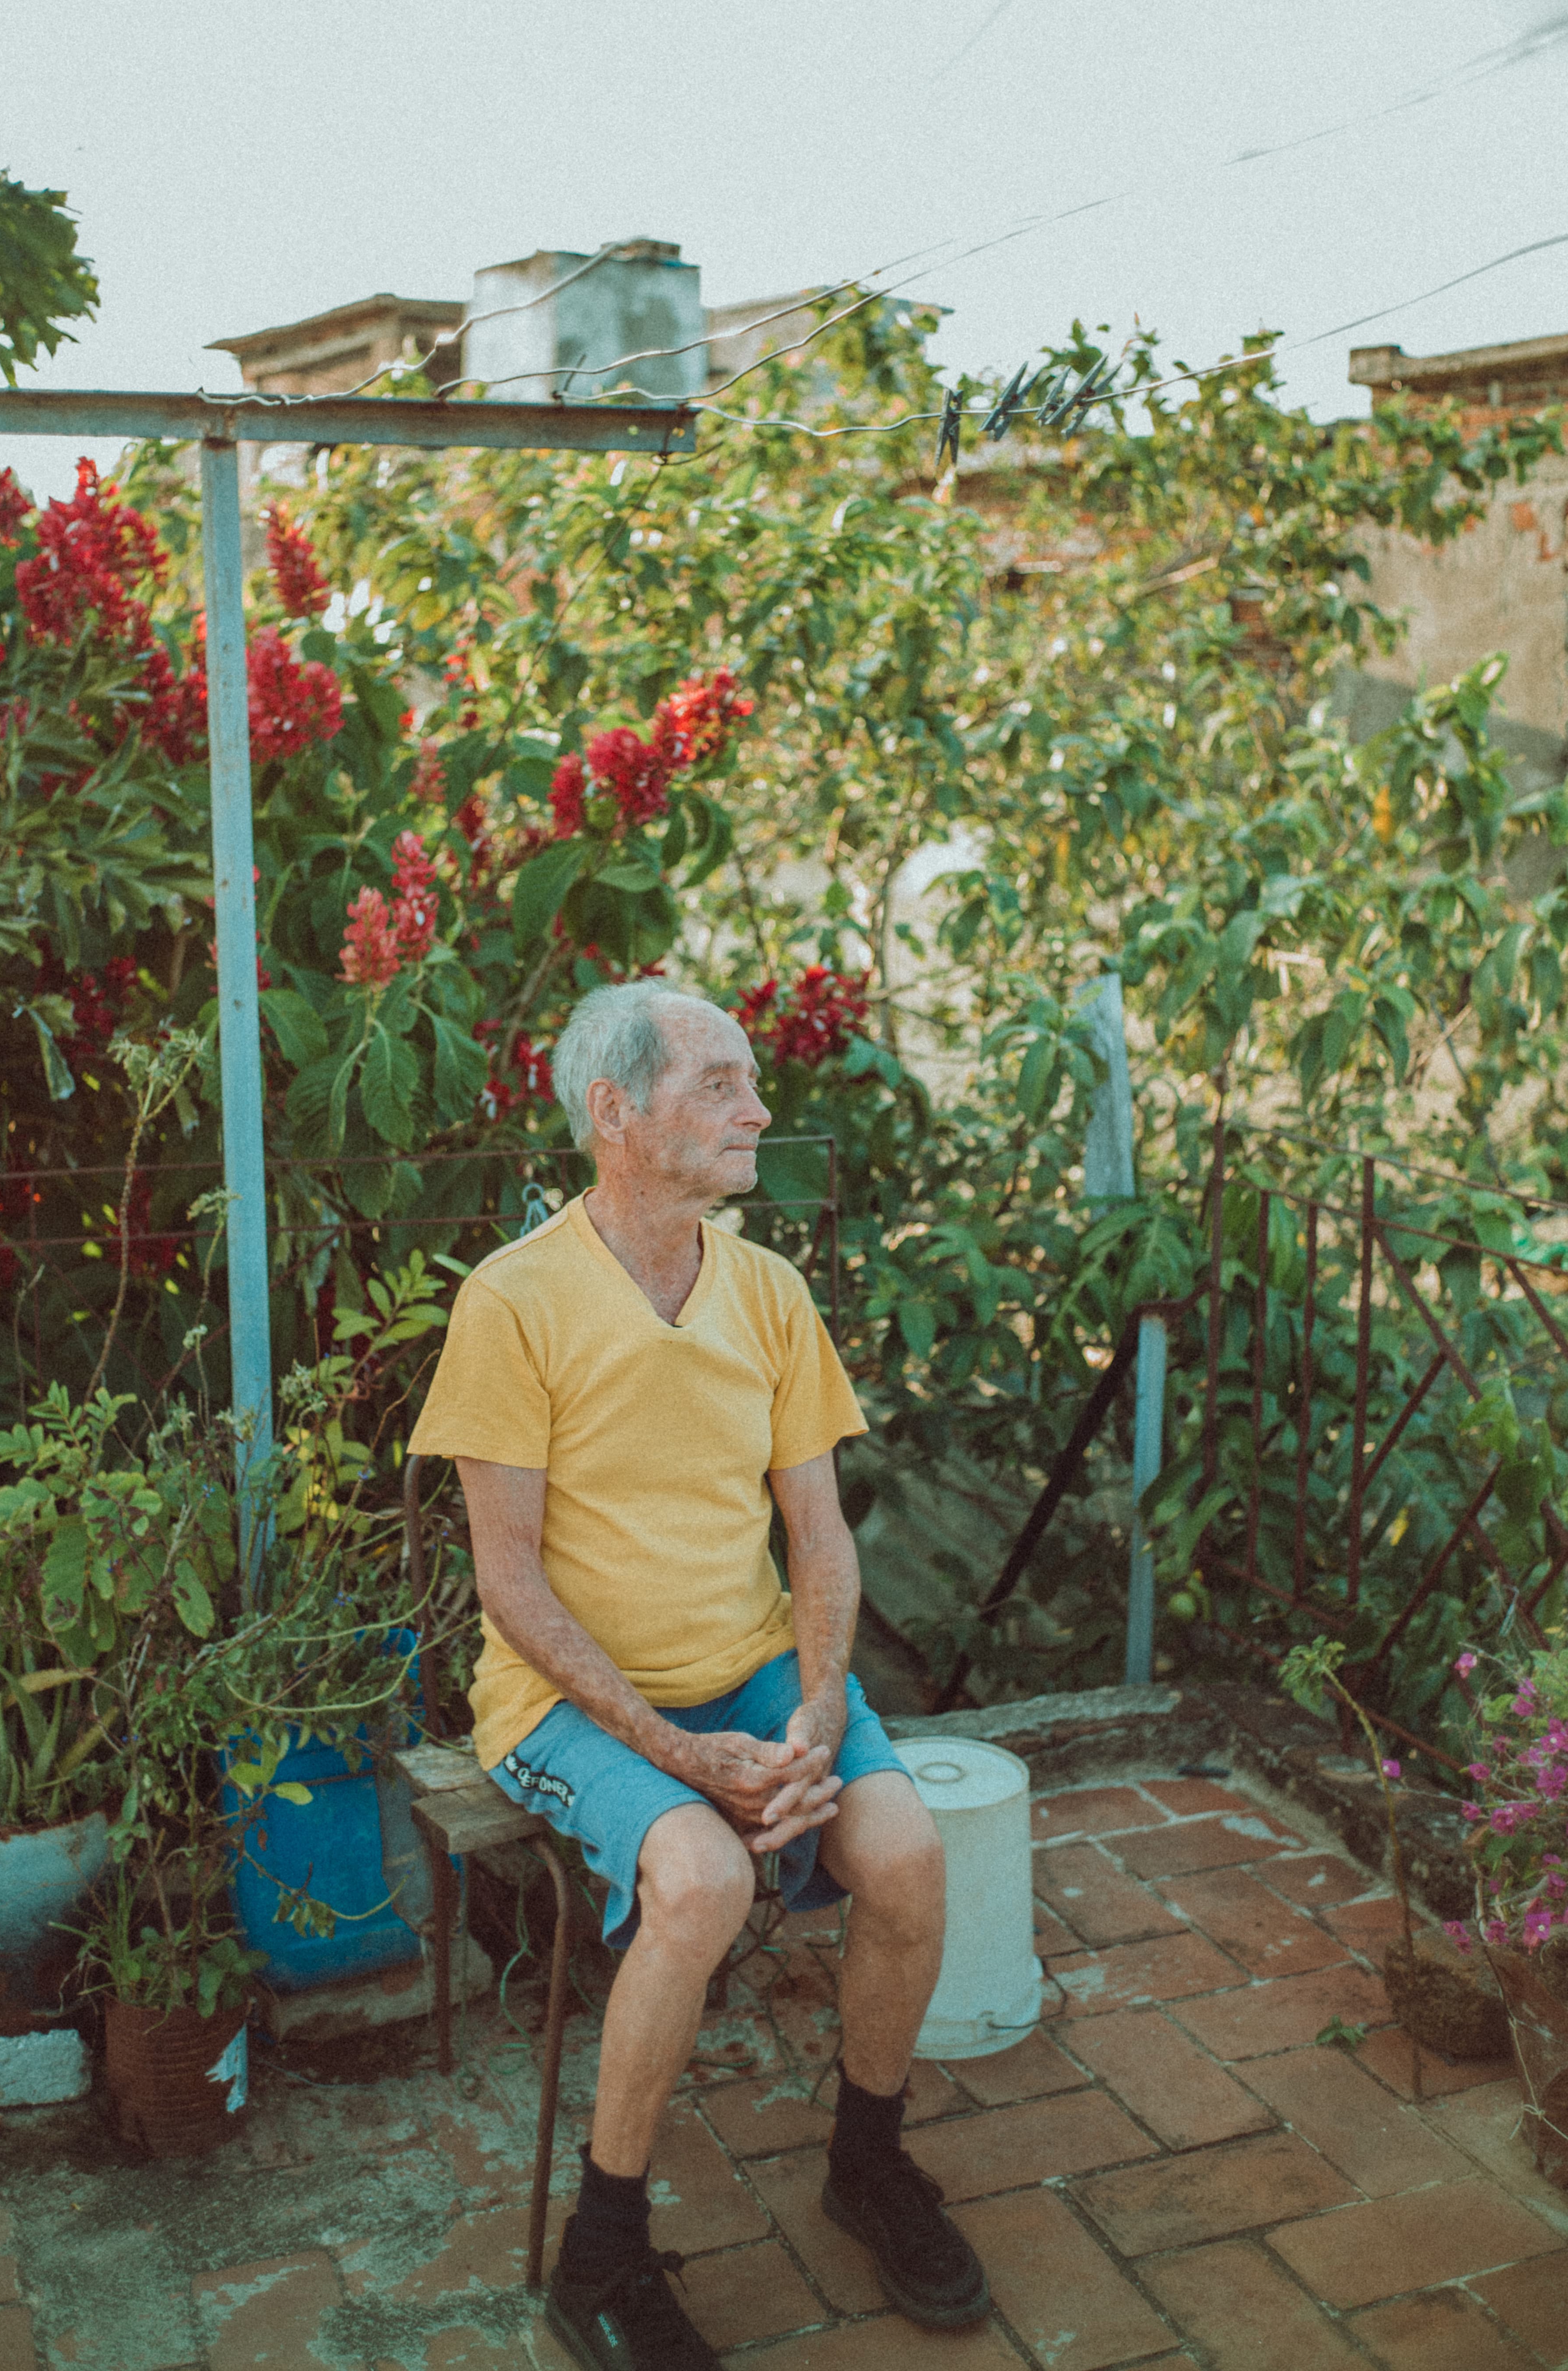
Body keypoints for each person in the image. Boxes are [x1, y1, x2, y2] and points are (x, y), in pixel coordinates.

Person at [409, 981, 990, 2370]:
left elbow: (818, 1532)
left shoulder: (768, 1293)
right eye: (721, 1085)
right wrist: (675, 1757)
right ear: (616, 1113)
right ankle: (599, 2253)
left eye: (748, 1083)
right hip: (568, 1701)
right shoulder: (516, 1302)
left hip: (753, 1677)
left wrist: (819, 1704)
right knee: (707, 1879)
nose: (759, 1109)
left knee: (905, 1851)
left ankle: (867, 2160)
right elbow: (511, 1585)